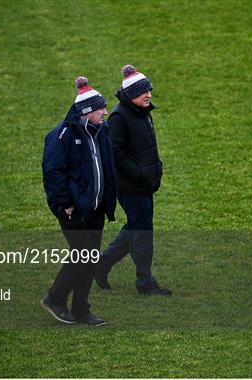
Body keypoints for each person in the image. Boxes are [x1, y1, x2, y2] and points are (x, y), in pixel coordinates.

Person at [41, 76, 116, 325]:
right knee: (84, 255)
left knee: (90, 259)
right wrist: (64, 203)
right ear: (86, 112)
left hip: (94, 208)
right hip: (73, 209)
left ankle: (81, 310)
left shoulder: (100, 131)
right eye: (100, 109)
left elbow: (107, 165)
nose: (105, 112)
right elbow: (53, 172)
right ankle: (55, 298)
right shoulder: (61, 135)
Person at [95, 65, 171, 296]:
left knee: (136, 227)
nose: (148, 94)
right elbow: (113, 152)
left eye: (148, 90)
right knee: (142, 231)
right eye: (142, 92)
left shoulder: (141, 111)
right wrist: (139, 172)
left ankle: (101, 265)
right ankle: (145, 283)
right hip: (131, 186)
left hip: (142, 183)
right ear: (129, 95)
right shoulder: (119, 116)